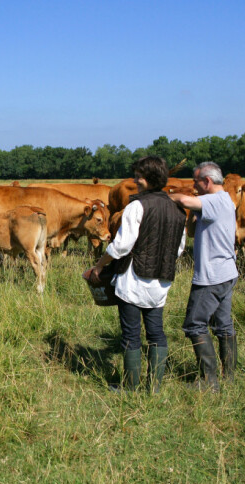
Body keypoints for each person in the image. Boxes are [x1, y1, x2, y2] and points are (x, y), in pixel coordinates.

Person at [85, 156, 187, 392]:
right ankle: (154, 388)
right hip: (162, 280)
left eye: (138, 175)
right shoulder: (177, 209)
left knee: (131, 333)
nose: (134, 180)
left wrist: (100, 265)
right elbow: (179, 249)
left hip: (134, 279)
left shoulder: (136, 206)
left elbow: (121, 246)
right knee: (156, 332)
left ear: (146, 178)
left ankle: (130, 387)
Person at [169, 161, 238, 392]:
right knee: (223, 325)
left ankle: (209, 383)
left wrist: (161, 197)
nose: (193, 186)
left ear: (207, 181)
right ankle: (229, 377)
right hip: (227, 272)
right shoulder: (225, 199)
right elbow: (192, 229)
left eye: (195, 181)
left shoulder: (214, 201)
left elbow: (184, 200)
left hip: (211, 277)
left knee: (194, 325)